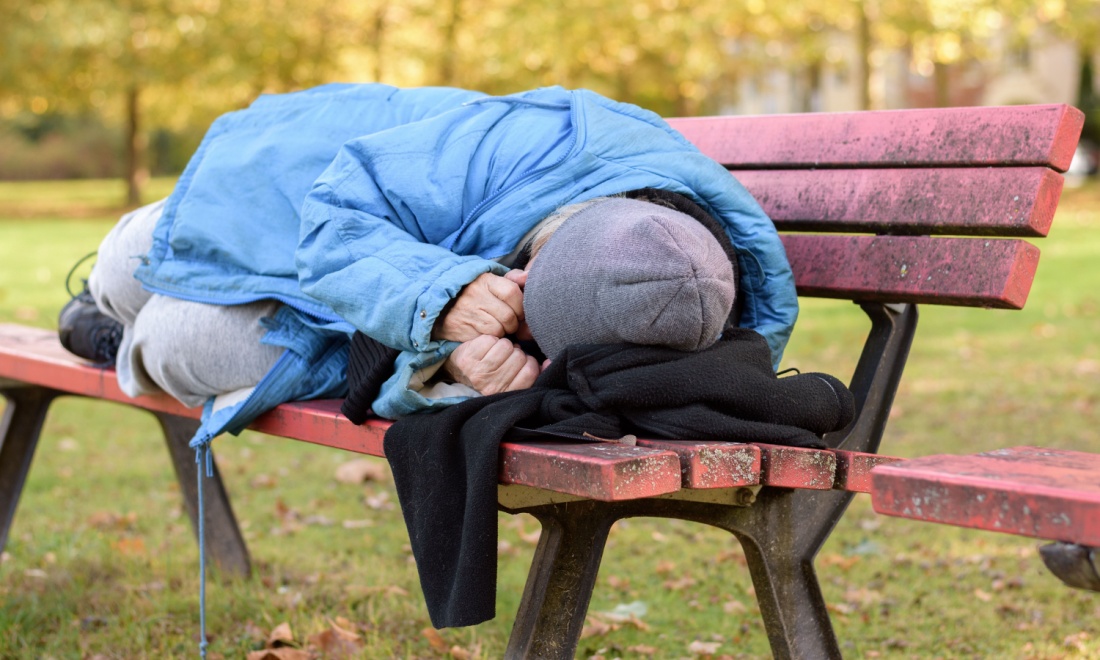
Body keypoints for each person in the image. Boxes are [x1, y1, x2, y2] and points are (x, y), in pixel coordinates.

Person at [59, 82, 798, 446]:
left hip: (343, 323)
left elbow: (553, 400)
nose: (514, 308)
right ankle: (100, 305)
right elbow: (336, 215)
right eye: (520, 293)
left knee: (168, 340)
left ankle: (112, 339)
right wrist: (441, 296)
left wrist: (450, 377)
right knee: (127, 267)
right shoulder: (536, 148)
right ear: (535, 259)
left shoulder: (700, 307)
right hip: (289, 197)